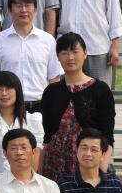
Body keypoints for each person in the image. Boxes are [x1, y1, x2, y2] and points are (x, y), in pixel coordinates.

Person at [41, 33, 116, 182]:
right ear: (57, 56)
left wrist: (101, 173)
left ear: (85, 53)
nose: (70, 57)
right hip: (54, 164)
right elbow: (46, 137)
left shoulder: (101, 90)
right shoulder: (51, 91)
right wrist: (40, 172)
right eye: (64, 52)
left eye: (75, 52)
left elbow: (107, 136)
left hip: (88, 163)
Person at [0, 0, 62, 111]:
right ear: (9, 10)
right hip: (9, 107)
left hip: (41, 106)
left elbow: (54, 78)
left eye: (28, 5)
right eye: (18, 6)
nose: (23, 10)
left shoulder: (48, 40)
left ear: (35, 9)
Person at [0, 71, 45, 180]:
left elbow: (35, 156)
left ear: (17, 91)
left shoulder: (33, 120)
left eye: (8, 89)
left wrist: (26, 182)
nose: (4, 93)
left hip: (26, 182)